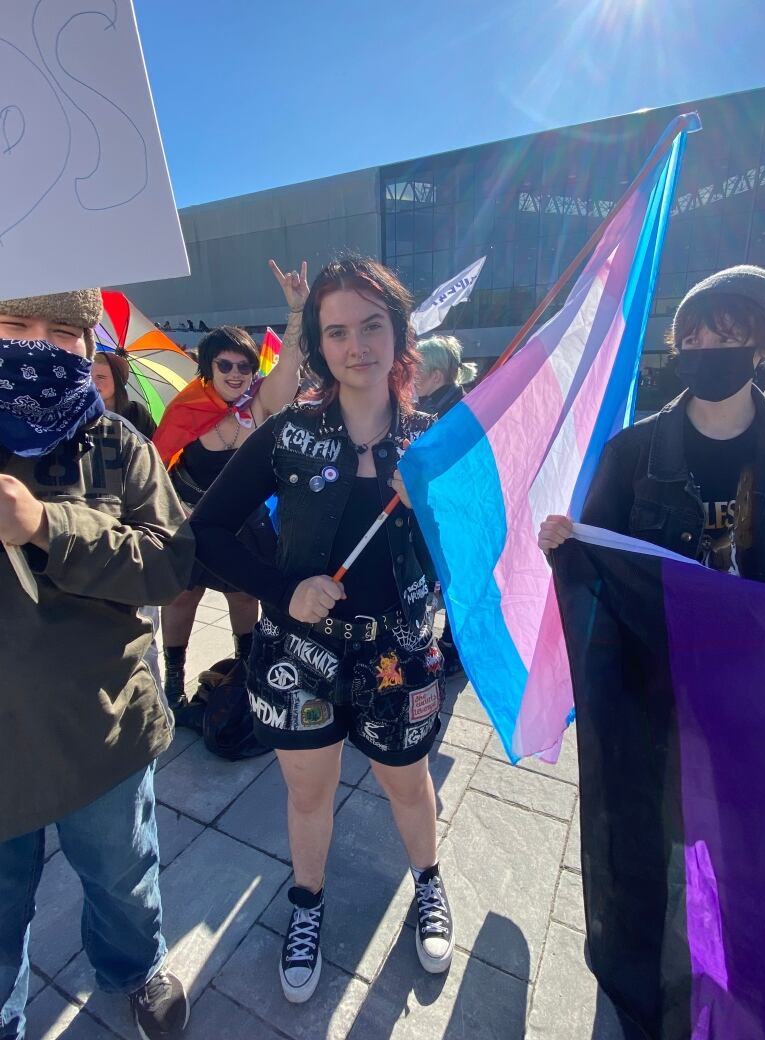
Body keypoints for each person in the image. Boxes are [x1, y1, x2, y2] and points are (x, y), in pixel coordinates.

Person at [190, 255, 453, 1004]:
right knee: (307, 796)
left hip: (401, 657)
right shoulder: (286, 435)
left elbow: (479, 553)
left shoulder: (436, 444)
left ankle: (428, 884)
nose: (356, 344)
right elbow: (207, 529)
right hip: (295, 659)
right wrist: (279, 590)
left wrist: (432, 504)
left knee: (410, 786)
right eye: (336, 330)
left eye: (373, 325)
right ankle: (306, 903)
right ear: (318, 342)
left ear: (399, 333)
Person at [0, 289, 194, 1040]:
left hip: (103, 727)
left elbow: (168, 563)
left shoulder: (116, 444)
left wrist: (48, 525)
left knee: (122, 876)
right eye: (15, 327)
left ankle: (133, 967)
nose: (39, 346)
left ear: (91, 345)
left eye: (63, 332)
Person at [538, 265, 765, 576]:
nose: (706, 353)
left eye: (724, 340)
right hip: (662, 626)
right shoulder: (631, 452)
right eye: (692, 341)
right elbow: (599, 571)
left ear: (763, 350)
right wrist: (561, 546)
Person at [153, 263, 303, 710]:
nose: (236, 373)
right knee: (181, 598)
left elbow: (291, 368)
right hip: (188, 518)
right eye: (226, 364)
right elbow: (155, 468)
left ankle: (248, 670)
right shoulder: (186, 410)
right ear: (208, 366)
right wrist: (168, 513)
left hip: (244, 522)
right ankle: (174, 683)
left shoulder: (257, 404)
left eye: (245, 365)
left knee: (244, 594)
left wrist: (296, 313)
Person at [414, 334, 478, 676]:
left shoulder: (453, 412)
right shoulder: (440, 405)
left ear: (436, 376)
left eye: (415, 372)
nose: (409, 378)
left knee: (454, 581)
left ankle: (454, 650)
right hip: (441, 512)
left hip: (456, 515)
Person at [92, 349, 157, 438]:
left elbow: (152, 448)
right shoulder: (80, 411)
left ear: (118, 381)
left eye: (101, 377)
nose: (92, 382)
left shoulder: (137, 414)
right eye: (89, 376)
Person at [414, 334, 478, 417]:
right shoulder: (457, 402)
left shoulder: (450, 412)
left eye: (416, 371)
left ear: (436, 376)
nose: (411, 377)